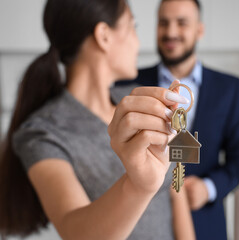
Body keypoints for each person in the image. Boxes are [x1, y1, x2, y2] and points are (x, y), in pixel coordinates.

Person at [0, 0, 196, 239]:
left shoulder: (136, 101)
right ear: (103, 36)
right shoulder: (42, 132)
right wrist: (138, 185)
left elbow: (177, 189)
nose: (138, 42)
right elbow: (75, 232)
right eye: (133, 27)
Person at [118, 0, 239, 239]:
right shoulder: (129, 85)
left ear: (199, 29)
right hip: (141, 222)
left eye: (181, 23)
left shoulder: (228, 87)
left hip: (202, 219)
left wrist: (209, 188)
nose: (170, 32)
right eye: (163, 23)